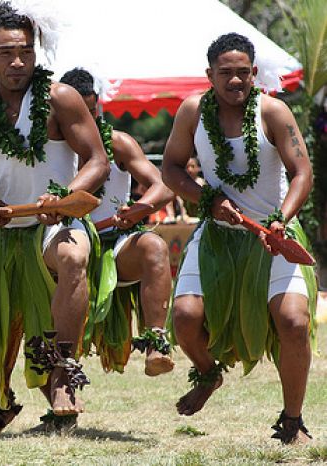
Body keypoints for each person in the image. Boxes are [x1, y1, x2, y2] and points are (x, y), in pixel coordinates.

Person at [0, 2, 109, 461]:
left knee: (71, 257)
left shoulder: (60, 98)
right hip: (0, 231)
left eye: (26, 52)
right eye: (6, 53)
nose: (17, 62)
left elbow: (97, 160)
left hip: (57, 222)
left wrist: (65, 197)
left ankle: (64, 370)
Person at [162, 33, 317, 444]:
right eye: (226, 73)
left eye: (243, 73)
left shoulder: (273, 111)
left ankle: (292, 420)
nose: (235, 81)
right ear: (209, 74)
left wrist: (282, 219)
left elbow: (303, 173)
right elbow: (172, 169)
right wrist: (207, 200)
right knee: (185, 320)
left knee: (293, 321)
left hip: (274, 234)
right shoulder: (192, 111)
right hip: (217, 234)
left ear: (254, 74)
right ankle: (209, 374)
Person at [60, 67, 175, 375]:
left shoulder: (118, 143)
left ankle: (156, 344)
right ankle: (62, 389)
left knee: (153, 246)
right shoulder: (51, 148)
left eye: (92, 109)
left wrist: (141, 208)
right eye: (78, 112)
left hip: (117, 242)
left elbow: (162, 184)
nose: (88, 120)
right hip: (62, 245)